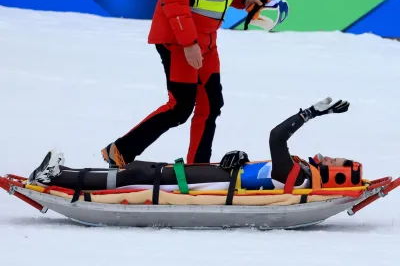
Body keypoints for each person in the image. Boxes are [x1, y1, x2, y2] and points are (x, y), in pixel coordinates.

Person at [29, 97, 363, 194]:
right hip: (206, 173)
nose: (332, 156)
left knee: (133, 175)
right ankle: (61, 174)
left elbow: (277, 137)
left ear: (334, 175)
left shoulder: (298, 176)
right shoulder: (296, 171)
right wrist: (242, 159)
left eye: (337, 161)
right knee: (135, 172)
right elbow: (258, 174)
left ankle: (55, 178)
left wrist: (308, 114)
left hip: (199, 181)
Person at [100, 0, 271, 169]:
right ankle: (120, 151)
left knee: (211, 104)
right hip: (179, 40)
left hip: (205, 40)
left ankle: (197, 168)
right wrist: (189, 43)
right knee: (179, 108)